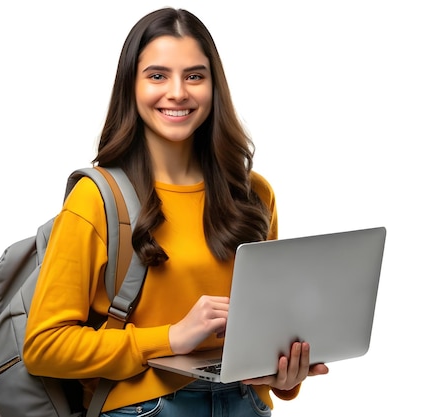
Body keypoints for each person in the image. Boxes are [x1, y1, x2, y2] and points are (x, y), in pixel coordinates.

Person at [23, 7, 329, 416]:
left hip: (245, 405)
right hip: (146, 408)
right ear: (131, 86)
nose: (178, 92)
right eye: (157, 75)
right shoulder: (98, 199)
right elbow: (44, 347)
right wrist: (169, 338)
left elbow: (266, 328)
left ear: (213, 86)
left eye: (195, 76)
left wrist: (284, 376)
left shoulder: (254, 195)